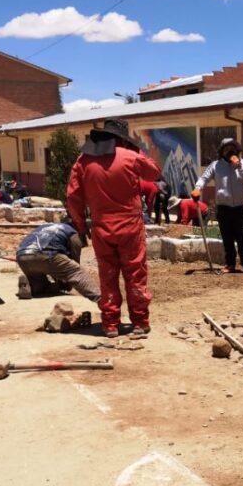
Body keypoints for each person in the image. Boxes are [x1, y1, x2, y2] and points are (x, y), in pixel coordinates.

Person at [67, 120, 161, 337]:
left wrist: (80, 226)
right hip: (130, 227)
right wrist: (138, 150)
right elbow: (154, 172)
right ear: (119, 139)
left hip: (101, 228)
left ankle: (110, 324)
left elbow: (73, 197)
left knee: (107, 276)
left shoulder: (83, 161)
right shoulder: (129, 157)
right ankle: (139, 322)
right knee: (135, 273)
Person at [194, 137, 243, 273]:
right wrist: (198, 188)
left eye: (232, 148)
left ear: (236, 149)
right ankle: (230, 264)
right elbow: (204, 178)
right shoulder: (216, 165)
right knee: (227, 237)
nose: (230, 151)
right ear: (222, 151)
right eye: (226, 148)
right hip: (224, 208)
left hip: (240, 207)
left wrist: (238, 166)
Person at [16, 221, 101, 302]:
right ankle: (99, 297)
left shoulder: (46, 227)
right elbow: (75, 256)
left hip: (22, 257)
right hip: (45, 254)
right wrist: (67, 279)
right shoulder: (71, 231)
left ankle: (29, 286)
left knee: (42, 288)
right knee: (75, 272)